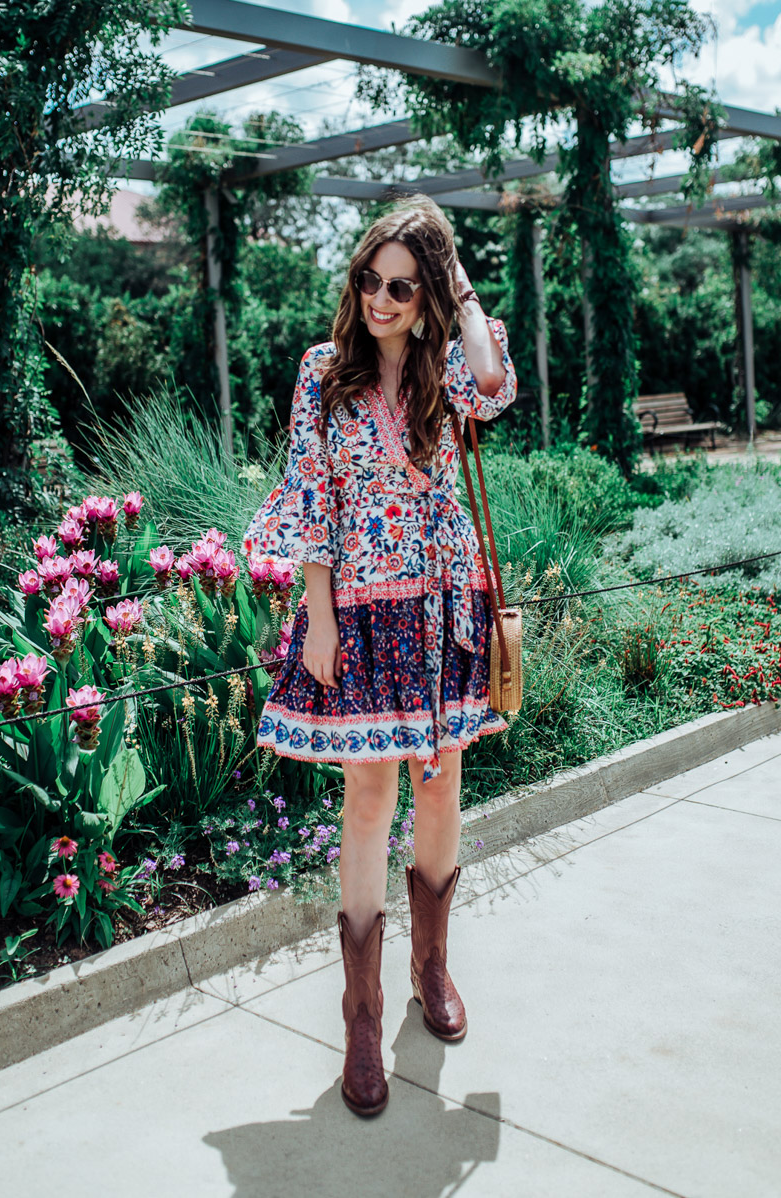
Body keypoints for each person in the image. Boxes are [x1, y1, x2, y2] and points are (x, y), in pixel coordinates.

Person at [243, 195, 518, 1117]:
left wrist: (464, 291)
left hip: (444, 606)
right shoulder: (324, 372)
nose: (381, 298)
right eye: (370, 279)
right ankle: (361, 1013)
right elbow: (312, 503)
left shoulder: (447, 363)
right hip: (359, 611)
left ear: (428, 289)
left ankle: (429, 968)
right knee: (369, 795)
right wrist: (315, 615)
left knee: (439, 786)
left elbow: (497, 381)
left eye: (403, 284)